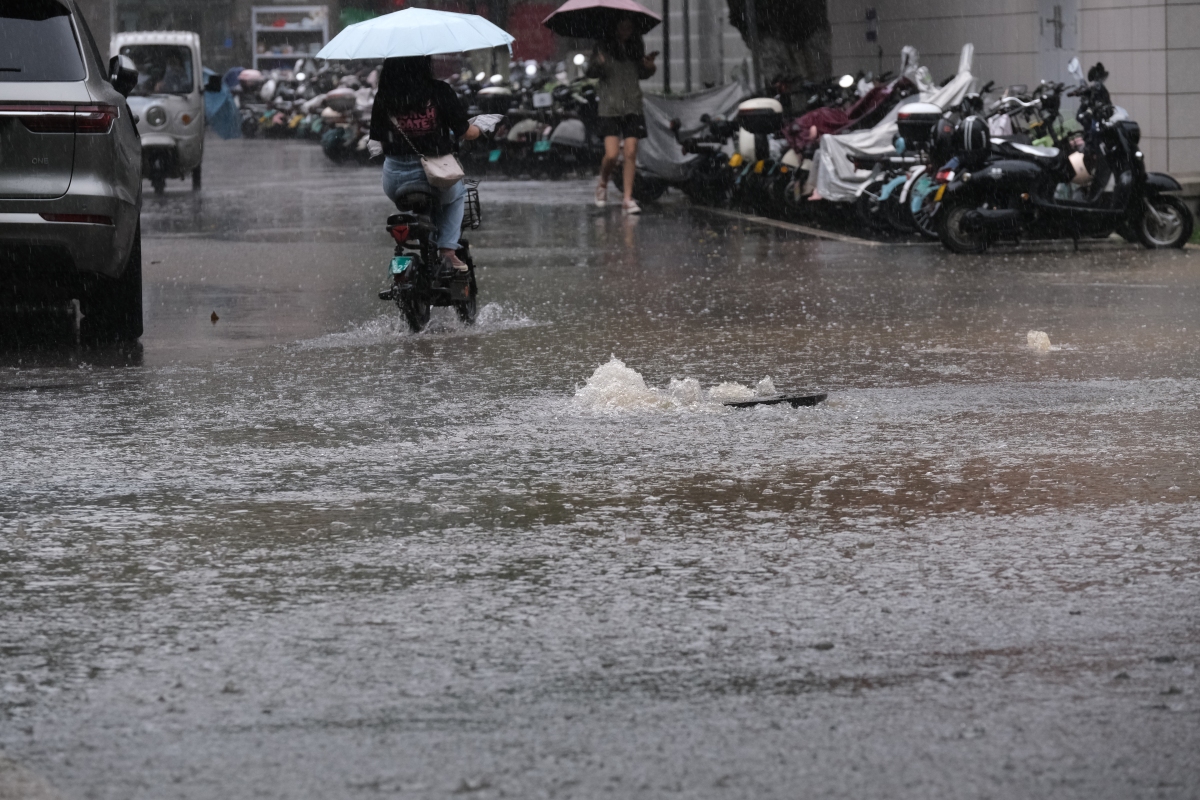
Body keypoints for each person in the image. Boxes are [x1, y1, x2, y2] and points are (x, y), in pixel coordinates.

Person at [369, 56, 480, 272]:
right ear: (424, 64)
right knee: (457, 194)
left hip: (395, 181)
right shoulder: (440, 91)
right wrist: (480, 129)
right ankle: (448, 251)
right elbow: (465, 131)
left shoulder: (384, 96)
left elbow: (378, 138)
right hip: (436, 175)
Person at [587, 15, 657, 214]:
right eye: (622, 27)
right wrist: (598, 63)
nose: (626, 31)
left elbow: (642, 73)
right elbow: (591, 72)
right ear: (615, 28)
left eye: (629, 28)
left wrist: (650, 66)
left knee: (631, 151)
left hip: (633, 106)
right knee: (611, 155)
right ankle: (603, 181)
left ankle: (627, 198)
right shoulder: (602, 47)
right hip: (610, 107)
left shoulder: (636, 48)